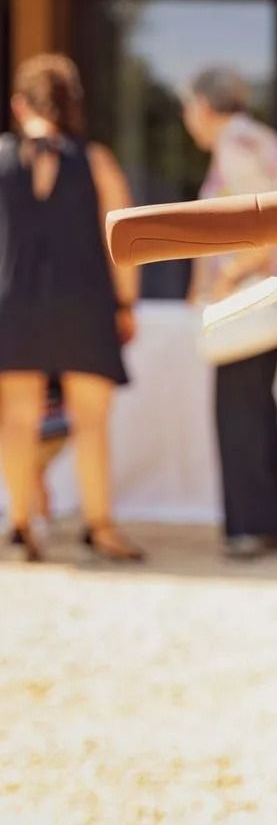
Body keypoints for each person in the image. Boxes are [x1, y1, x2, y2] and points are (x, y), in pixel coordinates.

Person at [0, 54, 145, 562]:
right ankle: (100, 525)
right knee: (91, 422)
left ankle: (21, 524)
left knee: (17, 421)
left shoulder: (1, 157)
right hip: (85, 300)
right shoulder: (96, 160)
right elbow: (124, 240)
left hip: (14, 302)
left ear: (20, 105)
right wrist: (127, 301)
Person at [182, 67, 277, 561]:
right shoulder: (255, 139)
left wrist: (226, 278)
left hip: (249, 297)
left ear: (204, 107)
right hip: (269, 295)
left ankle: (251, 527)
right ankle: (265, 525)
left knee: (239, 412)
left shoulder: (234, 146)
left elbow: (260, 228)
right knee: (253, 407)